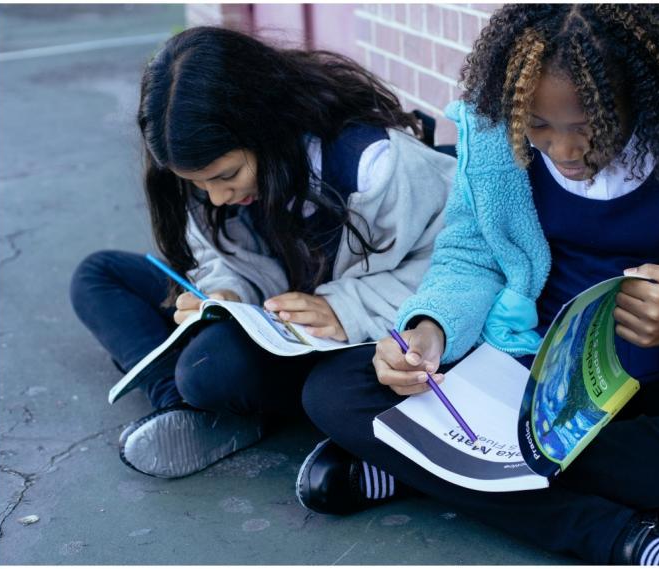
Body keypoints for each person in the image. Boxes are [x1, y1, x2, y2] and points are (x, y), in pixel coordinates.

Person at [295, 5, 659, 565]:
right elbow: (470, 255)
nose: (563, 151)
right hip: (527, 368)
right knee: (332, 389)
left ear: (647, 96)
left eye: (589, 127)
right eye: (538, 127)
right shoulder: (492, 128)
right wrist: (431, 329)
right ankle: (620, 534)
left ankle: (425, 469)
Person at [69, 26, 455, 479]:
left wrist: (347, 307)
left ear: (267, 125)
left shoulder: (375, 166)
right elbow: (211, 254)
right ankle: (180, 406)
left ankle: (200, 400)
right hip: (274, 323)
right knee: (98, 274)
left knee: (210, 370)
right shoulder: (210, 174)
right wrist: (222, 293)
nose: (214, 198)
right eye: (198, 185)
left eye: (226, 175)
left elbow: (455, 262)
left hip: (358, 335)